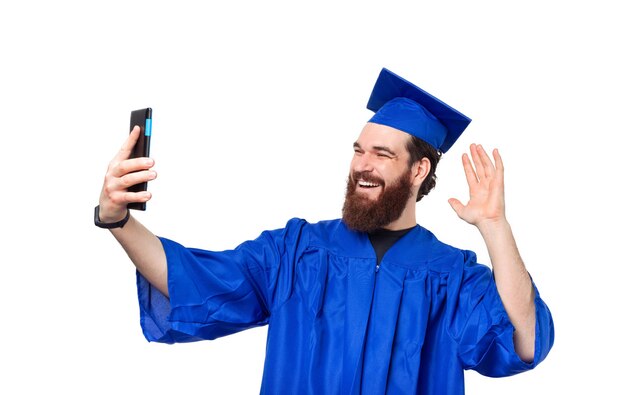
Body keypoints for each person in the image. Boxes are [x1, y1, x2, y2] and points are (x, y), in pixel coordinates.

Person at [95, 68, 554, 394]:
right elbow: (190, 278)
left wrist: (495, 227)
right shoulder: (296, 251)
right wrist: (118, 219)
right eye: (358, 150)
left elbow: (525, 341)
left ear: (419, 170)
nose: (362, 166)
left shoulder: (452, 276)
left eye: (382, 154)